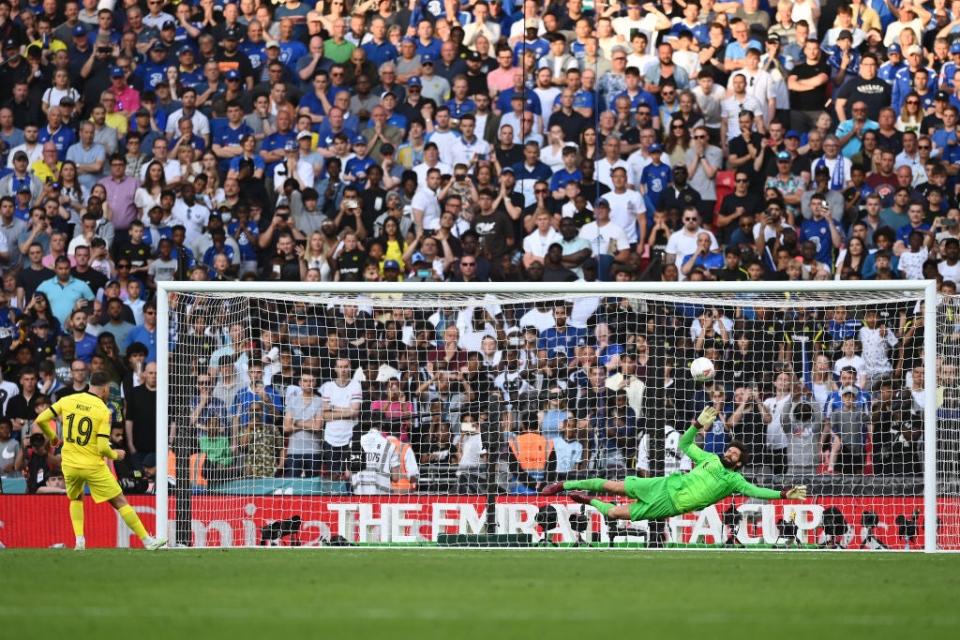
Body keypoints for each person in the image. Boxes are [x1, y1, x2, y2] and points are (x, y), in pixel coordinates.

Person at [541, 406, 807, 522]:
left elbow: (756, 492)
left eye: (735, 455)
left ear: (738, 464)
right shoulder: (710, 458)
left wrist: (783, 493)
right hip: (664, 483)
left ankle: (587, 500)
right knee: (612, 485)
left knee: (613, 514)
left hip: (670, 504)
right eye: (730, 450)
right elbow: (685, 446)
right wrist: (696, 424)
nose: (730, 453)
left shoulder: (734, 481)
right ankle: (563, 484)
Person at [32, 370, 165, 550]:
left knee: (76, 499)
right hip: (92, 465)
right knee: (119, 501)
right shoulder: (102, 410)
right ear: (104, 389)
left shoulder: (68, 400)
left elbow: (41, 419)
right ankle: (148, 541)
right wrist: (114, 454)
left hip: (70, 464)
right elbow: (103, 447)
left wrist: (54, 438)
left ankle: (79, 541)